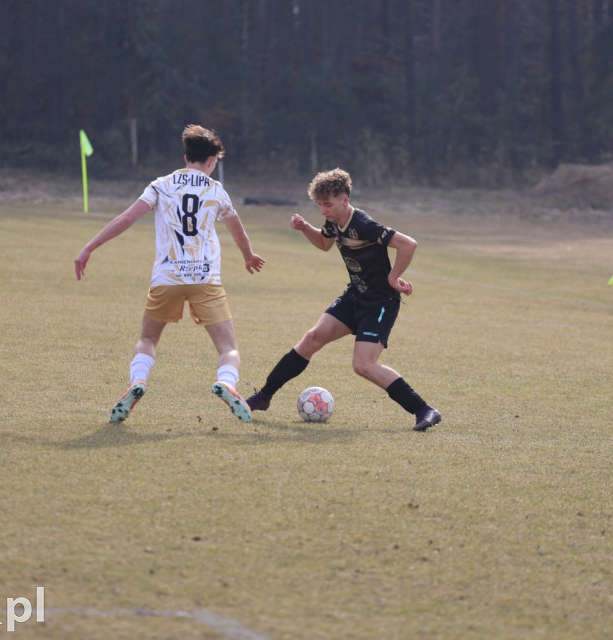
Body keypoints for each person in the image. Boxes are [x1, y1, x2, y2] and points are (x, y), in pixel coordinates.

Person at [74, 124, 265, 424]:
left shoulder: (161, 185)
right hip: (205, 279)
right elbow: (238, 232)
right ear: (212, 161)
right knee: (228, 348)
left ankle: (138, 382)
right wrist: (248, 256)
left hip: (167, 278)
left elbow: (127, 218)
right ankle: (226, 383)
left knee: (148, 339)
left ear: (185, 157)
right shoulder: (216, 190)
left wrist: (89, 247)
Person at [244, 168, 441, 432]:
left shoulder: (363, 225)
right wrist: (305, 228)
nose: (323, 210)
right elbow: (325, 244)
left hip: (380, 303)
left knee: (363, 365)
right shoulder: (334, 221)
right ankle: (264, 396)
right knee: (312, 338)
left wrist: (393, 278)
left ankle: (424, 410)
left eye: (327, 204)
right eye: (319, 205)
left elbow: (409, 245)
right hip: (355, 296)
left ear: (344, 200)